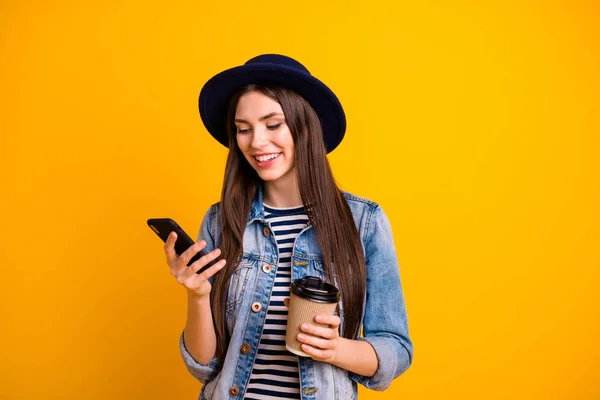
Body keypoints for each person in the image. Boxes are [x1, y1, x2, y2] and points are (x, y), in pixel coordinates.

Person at [163, 54, 413, 399]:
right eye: (243, 129)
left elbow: (395, 349)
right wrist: (197, 295)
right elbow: (204, 364)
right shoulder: (221, 221)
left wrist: (334, 349)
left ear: (304, 125)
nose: (256, 142)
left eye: (273, 124)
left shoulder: (363, 222)